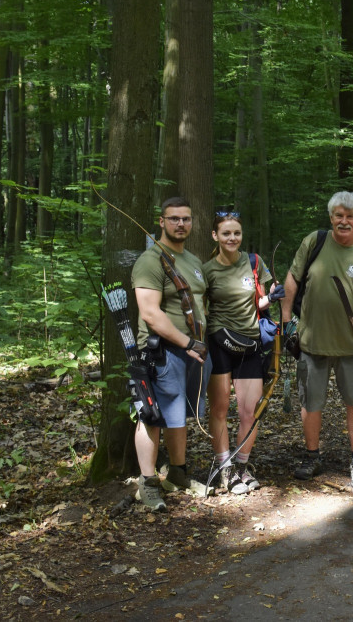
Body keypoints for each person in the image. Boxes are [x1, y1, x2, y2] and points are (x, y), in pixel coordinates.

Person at [280, 191, 353, 488]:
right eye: (339, 215)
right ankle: (312, 456)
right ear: (331, 217)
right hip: (311, 343)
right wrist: (287, 322)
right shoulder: (313, 242)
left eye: (350, 216)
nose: (344, 221)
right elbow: (292, 280)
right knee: (311, 403)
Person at [130, 196, 212, 511]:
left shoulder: (192, 260)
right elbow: (150, 313)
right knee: (152, 416)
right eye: (174, 218)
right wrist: (186, 343)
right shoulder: (151, 261)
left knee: (180, 416)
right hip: (162, 352)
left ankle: (177, 473)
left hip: (193, 352)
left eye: (186, 219)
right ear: (161, 221)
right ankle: (148, 483)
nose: (181, 224)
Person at [203, 211, 284, 494]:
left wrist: (273, 295)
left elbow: (260, 302)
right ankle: (224, 468)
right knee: (221, 409)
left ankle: (241, 467)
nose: (232, 238)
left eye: (236, 233)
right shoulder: (208, 269)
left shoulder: (254, 262)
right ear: (216, 236)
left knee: (251, 411)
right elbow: (201, 309)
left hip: (250, 343)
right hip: (219, 343)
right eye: (226, 233)